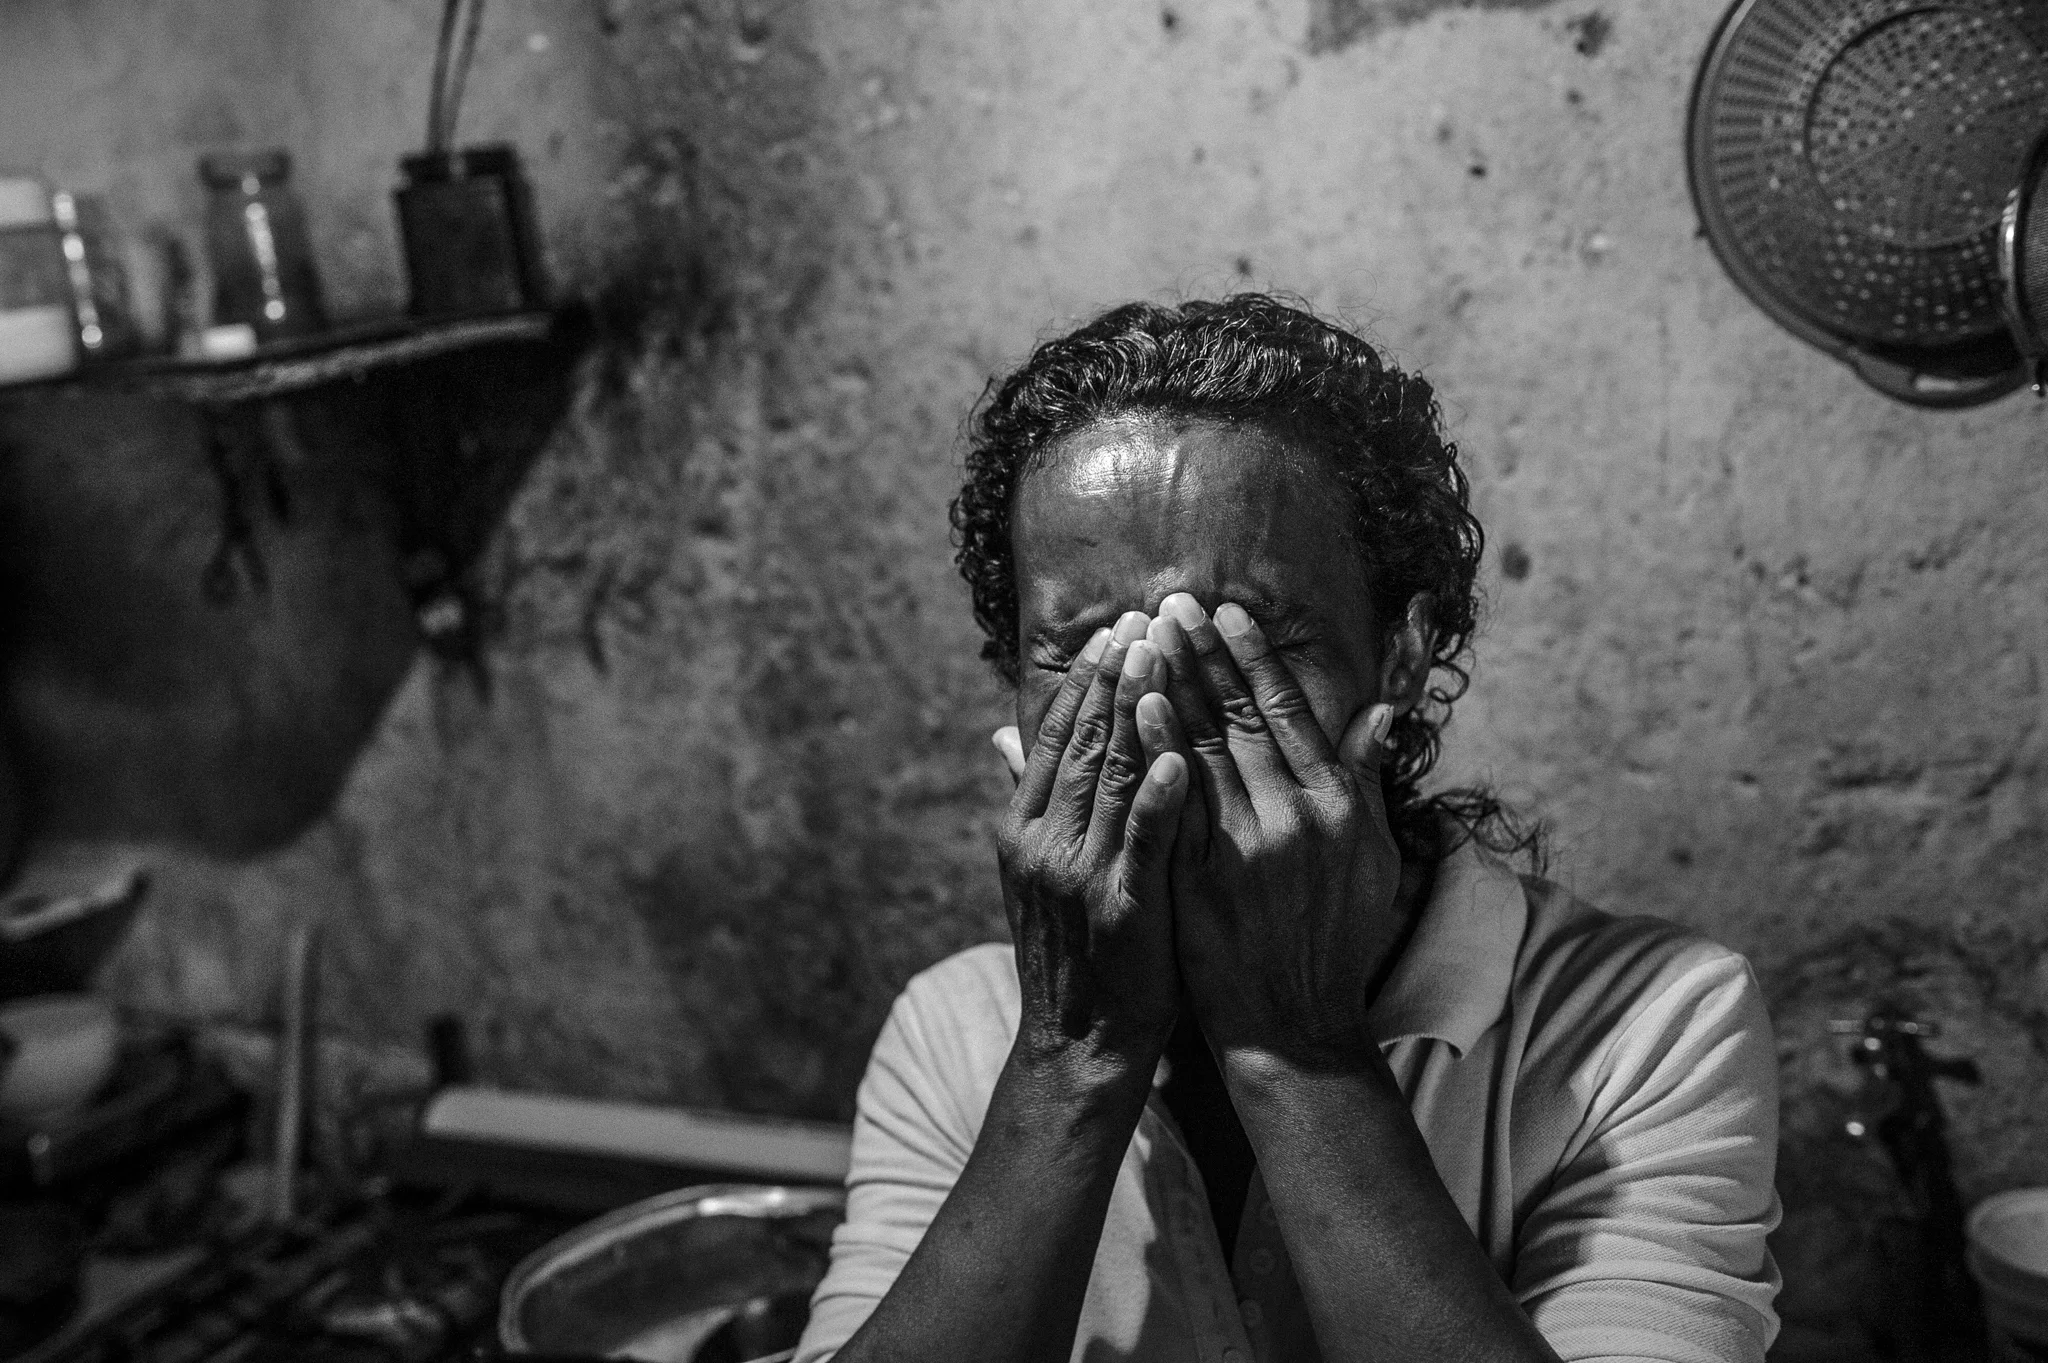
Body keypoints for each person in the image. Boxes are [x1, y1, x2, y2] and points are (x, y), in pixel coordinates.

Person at [794, 295, 1780, 1363]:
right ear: (1008, 673)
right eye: (1078, 645)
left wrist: (1299, 1049)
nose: (1153, 699)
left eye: (1240, 635)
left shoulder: (1652, 1026)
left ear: (1398, 654)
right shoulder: (958, 1032)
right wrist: (1068, 1055)